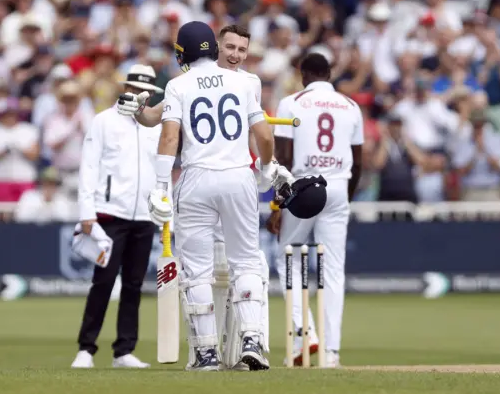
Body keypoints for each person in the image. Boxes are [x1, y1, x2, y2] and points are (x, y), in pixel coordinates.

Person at [118, 24, 271, 371]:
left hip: (197, 179)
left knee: (197, 272)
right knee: (246, 262)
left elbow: (169, 136)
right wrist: (266, 166)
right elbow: (263, 133)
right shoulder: (244, 83)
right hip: (238, 178)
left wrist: (161, 186)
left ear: (182, 52)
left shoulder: (178, 84)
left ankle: (206, 354)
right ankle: (252, 340)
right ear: (214, 48)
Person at [266, 53, 363, 368]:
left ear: (303, 73)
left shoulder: (292, 102)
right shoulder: (351, 106)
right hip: (338, 187)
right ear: (330, 73)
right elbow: (359, 161)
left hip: (304, 187)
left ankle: (304, 334)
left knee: (289, 257)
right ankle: (331, 352)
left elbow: (282, 158)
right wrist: (344, 196)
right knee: (334, 270)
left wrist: (279, 203)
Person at [71, 64, 167, 369]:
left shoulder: (158, 125)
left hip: (144, 215)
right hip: (110, 213)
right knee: (103, 281)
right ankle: (86, 349)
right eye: (137, 90)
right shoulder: (104, 122)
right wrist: (87, 213)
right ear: (126, 89)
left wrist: (165, 210)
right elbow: (89, 168)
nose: (142, 97)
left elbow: (162, 172)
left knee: (134, 284)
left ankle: (124, 351)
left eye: (148, 92)